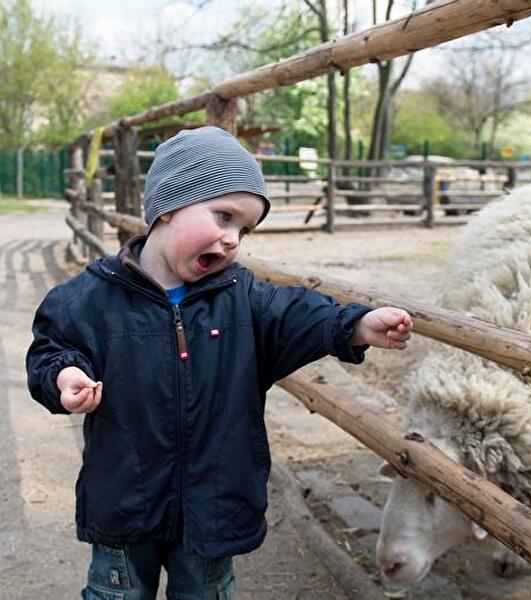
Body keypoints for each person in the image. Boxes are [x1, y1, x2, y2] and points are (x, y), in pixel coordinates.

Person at [26, 126, 413, 599]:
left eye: (244, 229)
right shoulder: (89, 298)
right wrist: (65, 376)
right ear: (169, 205)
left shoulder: (243, 298)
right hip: (125, 502)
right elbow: (51, 348)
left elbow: (299, 315)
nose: (233, 240)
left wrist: (354, 325)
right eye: (224, 216)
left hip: (213, 508)